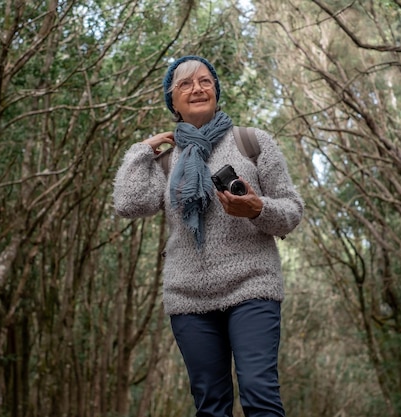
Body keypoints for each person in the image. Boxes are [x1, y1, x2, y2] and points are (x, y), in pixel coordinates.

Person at [112, 55, 304, 417]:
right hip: (188, 296)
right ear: (173, 101)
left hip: (253, 286)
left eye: (204, 81)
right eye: (185, 84)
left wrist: (257, 208)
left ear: (216, 90)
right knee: (211, 404)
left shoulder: (252, 142)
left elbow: (291, 212)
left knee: (259, 393)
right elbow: (128, 203)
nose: (197, 88)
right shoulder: (167, 161)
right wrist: (143, 151)